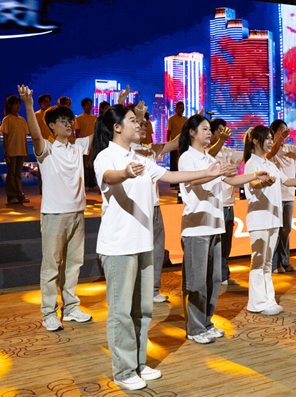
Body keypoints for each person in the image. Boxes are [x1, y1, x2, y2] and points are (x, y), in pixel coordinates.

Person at [92, 104, 228, 391]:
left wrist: (209, 171)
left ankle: (138, 363)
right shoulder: (107, 156)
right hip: (118, 245)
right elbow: (109, 177)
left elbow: (171, 177)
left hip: (142, 243)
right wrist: (125, 172)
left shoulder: (139, 156)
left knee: (142, 310)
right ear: (117, 127)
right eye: (133, 120)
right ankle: (124, 370)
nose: (139, 124)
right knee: (121, 312)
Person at [178, 114, 268, 344]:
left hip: (215, 225)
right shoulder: (187, 157)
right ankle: (195, 328)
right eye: (205, 129)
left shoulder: (210, 158)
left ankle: (206, 322)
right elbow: (193, 181)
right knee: (197, 282)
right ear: (191, 132)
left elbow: (231, 181)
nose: (209, 133)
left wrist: (254, 175)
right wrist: (216, 172)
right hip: (197, 227)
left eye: (210, 129)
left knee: (214, 278)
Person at [18, 85, 93, 333]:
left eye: (70, 120)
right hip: (54, 214)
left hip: (78, 212)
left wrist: (123, 105)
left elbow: (100, 131)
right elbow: (34, 133)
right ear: (52, 126)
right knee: (51, 266)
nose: (69, 124)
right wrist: (29, 104)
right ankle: (49, 312)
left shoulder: (78, 146)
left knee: (74, 263)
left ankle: (70, 307)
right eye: (63, 121)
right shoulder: (47, 149)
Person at [243, 126, 296, 314]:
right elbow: (253, 184)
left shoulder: (270, 164)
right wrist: (263, 183)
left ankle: (268, 300)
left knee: (266, 263)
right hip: (259, 219)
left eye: (271, 138)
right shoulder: (252, 163)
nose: (270, 142)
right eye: (267, 138)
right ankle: (257, 303)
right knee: (258, 262)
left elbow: (288, 181)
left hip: (273, 218)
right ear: (255, 141)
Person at [131, 104, 180, 303]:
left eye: (145, 124)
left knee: (157, 250)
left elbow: (175, 143)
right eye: (139, 123)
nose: (143, 127)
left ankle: (152, 289)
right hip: (136, 208)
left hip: (155, 207)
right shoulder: (125, 150)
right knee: (138, 250)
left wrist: (194, 124)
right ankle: (136, 290)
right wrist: (136, 113)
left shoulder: (150, 150)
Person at [265, 120, 296, 273]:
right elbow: (271, 154)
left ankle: (285, 261)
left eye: (286, 129)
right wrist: (279, 139)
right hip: (275, 195)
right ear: (274, 132)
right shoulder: (270, 148)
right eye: (281, 129)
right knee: (276, 229)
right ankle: (274, 264)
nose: (285, 132)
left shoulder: (290, 149)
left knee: (286, 229)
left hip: (289, 195)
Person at [205, 118, 241, 285]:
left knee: (226, 244)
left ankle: (224, 275)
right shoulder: (205, 151)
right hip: (213, 204)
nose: (224, 133)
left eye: (225, 130)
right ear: (212, 133)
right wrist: (220, 141)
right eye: (220, 130)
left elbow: (246, 155)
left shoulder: (229, 152)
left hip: (228, 204)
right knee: (214, 244)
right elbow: (208, 157)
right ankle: (213, 277)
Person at [1, 95, 30, 204]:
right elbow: (5, 137)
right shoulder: (7, 119)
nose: (18, 106)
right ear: (9, 105)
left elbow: (24, 137)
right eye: (16, 103)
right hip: (12, 151)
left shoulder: (22, 120)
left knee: (18, 174)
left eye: (19, 103)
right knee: (11, 173)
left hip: (21, 150)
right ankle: (12, 195)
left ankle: (19, 194)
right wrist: (6, 152)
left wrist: (26, 151)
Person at [75, 98, 98, 190]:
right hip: (83, 145)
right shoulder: (79, 118)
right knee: (84, 165)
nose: (90, 106)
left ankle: (92, 183)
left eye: (90, 104)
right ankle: (84, 184)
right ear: (83, 106)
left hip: (93, 144)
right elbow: (77, 133)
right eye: (88, 104)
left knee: (92, 164)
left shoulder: (95, 118)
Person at [167, 101, 187, 172]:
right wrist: (168, 144)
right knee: (174, 165)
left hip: (183, 145)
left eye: (183, 108)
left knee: (183, 164)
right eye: (180, 108)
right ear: (176, 109)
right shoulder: (171, 119)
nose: (182, 110)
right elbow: (169, 132)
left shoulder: (185, 119)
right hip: (174, 146)